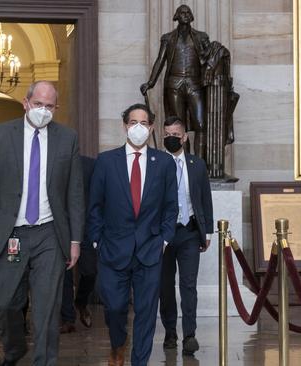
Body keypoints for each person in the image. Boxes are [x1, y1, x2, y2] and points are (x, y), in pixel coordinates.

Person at [0, 81, 84, 366]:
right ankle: (14, 348)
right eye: (38, 105)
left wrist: (75, 240)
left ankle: (44, 362)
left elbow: (74, 192)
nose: (43, 111)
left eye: (49, 107)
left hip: (50, 233)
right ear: (26, 103)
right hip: (12, 233)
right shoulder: (1, 134)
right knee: (6, 303)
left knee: (47, 309)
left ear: (56, 108)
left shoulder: (67, 138)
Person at [88, 103, 178, 366]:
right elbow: (95, 206)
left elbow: (171, 206)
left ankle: (140, 361)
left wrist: (163, 239)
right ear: (125, 126)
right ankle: (118, 344)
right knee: (114, 308)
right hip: (113, 249)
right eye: (132, 122)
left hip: (150, 250)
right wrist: (97, 240)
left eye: (143, 123)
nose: (138, 127)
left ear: (151, 128)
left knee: (146, 313)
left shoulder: (163, 163)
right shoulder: (106, 161)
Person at [158, 116, 213, 356]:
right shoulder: (156, 163)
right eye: (167, 134)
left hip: (190, 232)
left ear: (185, 137)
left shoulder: (197, 164)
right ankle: (170, 332)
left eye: (176, 134)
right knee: (165, 285)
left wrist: (207, 231)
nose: (172, 138)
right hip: (163, 235)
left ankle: (190, 334)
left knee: (189, 285)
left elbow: (205, 199)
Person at [140, 5, 211, 159]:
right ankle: (183, 160)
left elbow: (209, 59)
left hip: (194, 83)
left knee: (201, 125)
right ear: (176, 16)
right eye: (182, 13)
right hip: (175, 83)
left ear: (191, 16)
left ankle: (198, 164)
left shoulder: (201, 37)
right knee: (178, 126)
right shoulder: (168, 38)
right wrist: (150, 83)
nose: (185, 15)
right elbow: (160, 60)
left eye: (187, 13)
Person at [60, 155, 97, 334]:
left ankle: (81, 302)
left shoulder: (90, 164)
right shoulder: (53, 162)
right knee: (64, 275)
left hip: (86, 227)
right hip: (61, 227)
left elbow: (98, 193)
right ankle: (68, 319)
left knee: (90, 271)